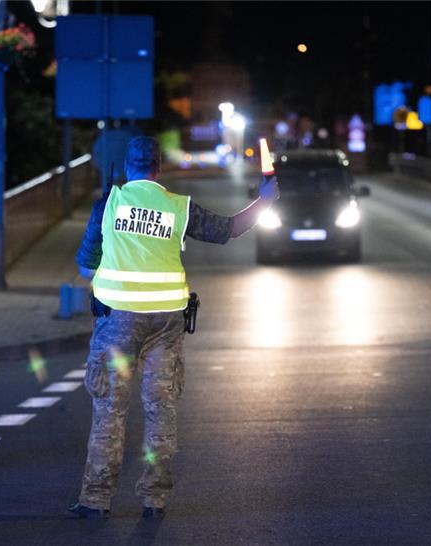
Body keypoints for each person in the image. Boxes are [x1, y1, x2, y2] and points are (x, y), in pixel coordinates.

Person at [69, 136, 278, 520]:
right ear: (159, 168)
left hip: (117, 322)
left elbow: (85, 267)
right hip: (166, 323)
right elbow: (229, 229)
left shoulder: (109, 205)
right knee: (160, 410)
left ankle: (95, 501)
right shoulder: (177, 208)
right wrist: (264, 201)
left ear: (126, 166)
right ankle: (155, 500)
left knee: (110, 412)